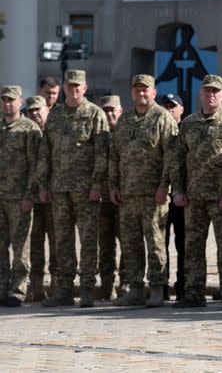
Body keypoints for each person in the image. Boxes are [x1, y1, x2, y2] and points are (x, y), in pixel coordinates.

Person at [172, 75, 222, 310]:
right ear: (200, 94)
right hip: (194, 197)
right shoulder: (189, 123)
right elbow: (178, 160)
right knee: (192, 247)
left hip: (221, 197)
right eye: (207, 91)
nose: (211, 94)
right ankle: (193, 292)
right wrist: (178, 190)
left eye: (216, 91)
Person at [38, 70, 110, 308]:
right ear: (65, 88)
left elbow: (102, 154)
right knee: (62, 239)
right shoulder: (56, 114)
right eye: (70, 86)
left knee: (88, 238)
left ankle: (87, 287)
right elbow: (46, 152)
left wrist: (97, 184)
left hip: (85, 189)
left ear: (85, 87)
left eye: (78, 86)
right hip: (59, 188)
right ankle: (64, 288)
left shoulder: (94, 114)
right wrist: (44, 183)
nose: (74, 89)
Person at [109, 75, 178, 307]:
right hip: (128, 194)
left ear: (154, 92)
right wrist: (114, 185)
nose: (141, 94)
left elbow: (172, 156)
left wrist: (164, 187)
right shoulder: (125, 119)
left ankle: (157, 288)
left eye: (145, 90)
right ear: (132, 92)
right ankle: (136, 288)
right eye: (137, 90)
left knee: (156, 242)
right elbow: (115, 155)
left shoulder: (162, 118)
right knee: (130, 243)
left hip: (153, 194)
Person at [0, 86, 41, 307]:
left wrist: (30, 195)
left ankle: (17, 290)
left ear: (20, 102)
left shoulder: (29, 129)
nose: (7, 104)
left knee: (20, 247)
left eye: (11, 100)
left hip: (19, 198)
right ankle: (1, 287)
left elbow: (36, 166)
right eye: (4, 100)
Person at [24, 95, 55, 302]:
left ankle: (57, 285)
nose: (34, 114)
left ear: (47, 110)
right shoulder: (25, 133)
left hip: (55, 196)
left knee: (58, 241)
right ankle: (36, 286)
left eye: (38, 110)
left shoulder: (56, 131)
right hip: (32, 197)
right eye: (30, 111)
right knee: (34, 241)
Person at [97, 95, 126, 300]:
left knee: (127, 242)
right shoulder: (98, 136)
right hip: (102, 198)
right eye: (105, 110)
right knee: (105, 243)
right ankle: (107, 284)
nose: (109, 114)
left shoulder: (127, 134)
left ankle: (125, 284)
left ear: (120, 111)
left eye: (112, 110)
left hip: (124, 197)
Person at [161, 93, 185, 300]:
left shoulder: (188, 129)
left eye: (173, 106)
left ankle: (183, 285)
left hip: (182, 196)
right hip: (162, 195)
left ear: (181, 109)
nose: (169, 110)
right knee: (161, 242)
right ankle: (161, 286)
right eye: (165, 106)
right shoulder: (159, 130)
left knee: (183, 242)